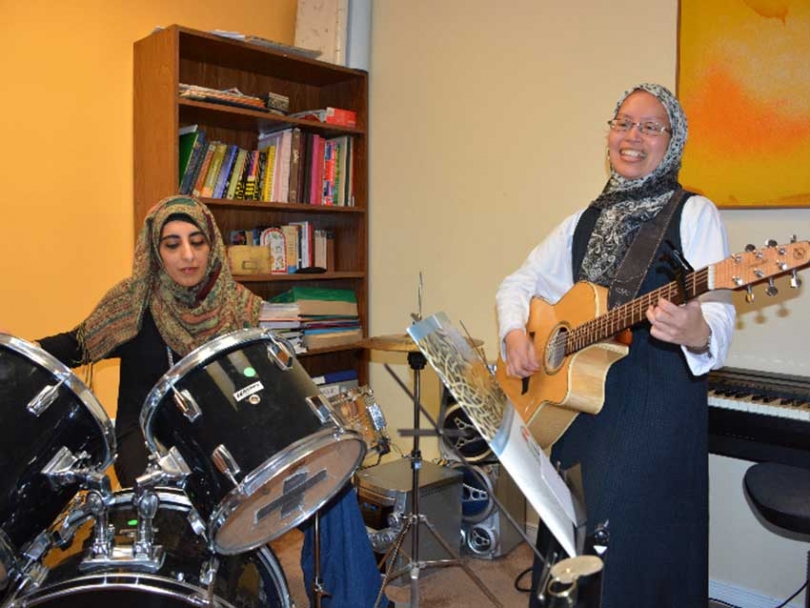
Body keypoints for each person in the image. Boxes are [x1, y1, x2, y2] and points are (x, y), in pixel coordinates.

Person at [37, 194, 385, 607]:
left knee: (331, 482)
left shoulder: (237, 304)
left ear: (212, 245)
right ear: (154, 251)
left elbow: (271, 377)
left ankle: (359, 602)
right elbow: (69, 347)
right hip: (152, 442)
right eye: (172, 244)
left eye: (197, 241)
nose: (187, 255)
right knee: (188, 518)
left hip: (230, 436)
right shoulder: (130, 306)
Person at [496, 83, 736, 608]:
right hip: (578, 406)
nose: (633, 136)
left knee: (626, 545)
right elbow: (517, 284)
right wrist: (516, 333)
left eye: (651, 127)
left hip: (655, 403)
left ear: (672, 142)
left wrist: (694, 330)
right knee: (568, 530)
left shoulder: (694, 213)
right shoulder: (582, 220)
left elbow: (718, 314)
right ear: (609, 133)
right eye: (624, 122)